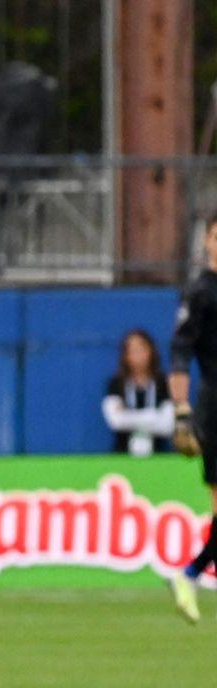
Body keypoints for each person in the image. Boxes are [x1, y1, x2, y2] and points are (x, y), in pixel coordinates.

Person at [168, 212, 217, 623]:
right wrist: (182, 411)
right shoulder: (201, 293)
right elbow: (180, 352)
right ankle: (191, 573)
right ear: (207, 242)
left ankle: (190, 574)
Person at [102, 329, 173, 457]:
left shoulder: (163, 383)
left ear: (151, 351)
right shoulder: (116, 384)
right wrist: (155, 416)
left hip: (159, 457)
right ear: (125, 355)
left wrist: (127, 415)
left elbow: (167, 425)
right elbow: (116, 421)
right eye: (132, 350)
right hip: (122, 456)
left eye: (141, 349)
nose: (137, 355)